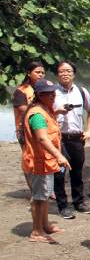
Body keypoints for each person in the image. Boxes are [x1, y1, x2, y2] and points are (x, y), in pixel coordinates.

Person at [22, 79, 69, 243]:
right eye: (50, 93)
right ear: (40, 95)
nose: (54, 95)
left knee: (45, 195)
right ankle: (37, 231)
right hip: (39, 162)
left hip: (46, 162)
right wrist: (59, 155)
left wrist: (57, 113)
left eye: (54, 92)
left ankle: (45, 224)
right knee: (39, 197)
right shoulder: (37, 115)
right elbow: (42, 138)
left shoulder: (44, 109)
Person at [53, 60, 90, 219]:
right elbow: (44, 114)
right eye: (61, 71)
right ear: (57, 74)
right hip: (58, 138)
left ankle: (79, 202)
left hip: (77, 138)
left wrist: (89, 130)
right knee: (59, 172)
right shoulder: (51, 93)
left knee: (77, 171)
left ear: (74, 74)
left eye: (68, 71)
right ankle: (63, 206)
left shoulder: (81, 91)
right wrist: (57, 112)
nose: (65, 74)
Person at [12, 61, 46, 194]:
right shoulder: (21, 91)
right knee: (29, 159)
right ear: (28, 73)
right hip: (25, 131)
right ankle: (34, 190)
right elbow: (23, 110)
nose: (40, 75)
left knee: (45, 157)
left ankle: (45, 189)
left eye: (42, 72)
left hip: (43, 128)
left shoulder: (44, 89)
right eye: (37, 72)